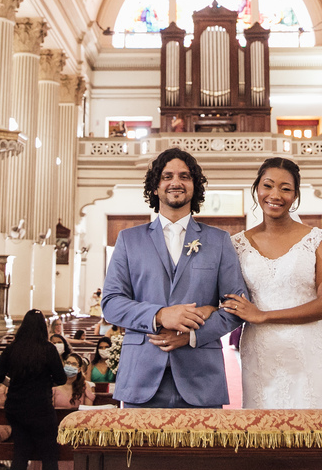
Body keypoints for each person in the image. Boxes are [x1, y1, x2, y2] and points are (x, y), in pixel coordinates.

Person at [101, 147, 248, 408]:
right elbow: (111, 303)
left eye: (184, 176)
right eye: (167, 176)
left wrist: (191, 336)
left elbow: (236, 307)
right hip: (141, 376)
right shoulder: (129, 240)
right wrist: (159, 315)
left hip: (201, 376)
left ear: (195, 186)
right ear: (155, 187)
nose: (176, 182)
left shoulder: (218, 241)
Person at [222, 157, 322, 409]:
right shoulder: (237, 244)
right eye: (268, 186)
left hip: (309, 347)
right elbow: (227, 296)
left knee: (314, 422)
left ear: (295, 195)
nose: (275, 195)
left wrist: (263, 315)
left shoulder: (316, 240)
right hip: (261, 350)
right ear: (257, 188)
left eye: (285, 188)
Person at [0, 310, 67, 470]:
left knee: (20, 455)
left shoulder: (13, 348)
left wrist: (11, 382)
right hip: (41, 408)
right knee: (49, 456)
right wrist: (45, 383)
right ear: (43, 327)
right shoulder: (48, 349)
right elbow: (61, 379)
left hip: (16, 408)